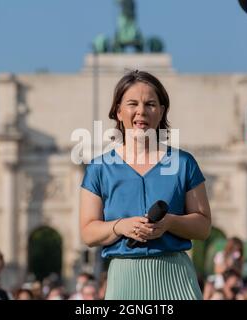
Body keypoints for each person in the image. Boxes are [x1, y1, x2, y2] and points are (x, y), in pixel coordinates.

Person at [79, 70, 211, 300]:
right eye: (132, 104)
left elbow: (203, 226)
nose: (141, 111)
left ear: (161, 111)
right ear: (118, 111)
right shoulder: (98, 168)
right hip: (124, 279)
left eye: (150, 104)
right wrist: (120, 226)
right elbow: (88, 233)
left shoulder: (184, 163)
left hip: (176, 278)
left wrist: (169, 222)